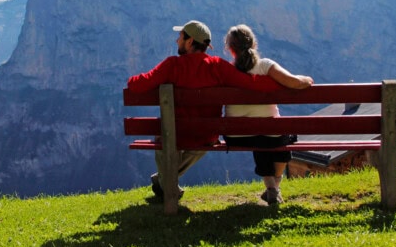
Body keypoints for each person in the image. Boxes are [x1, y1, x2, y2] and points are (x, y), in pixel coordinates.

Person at [127, 20, 284, 201]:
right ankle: (165, 182)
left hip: (176, 133)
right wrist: (283, 82)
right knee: (202, 141)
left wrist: (131, 79)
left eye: (180, 37)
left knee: (163, 136)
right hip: (206, 136)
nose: (177, 41)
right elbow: (251, 83)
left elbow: (137, 85)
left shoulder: (172, 65)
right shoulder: (218, 66)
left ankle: (165, 182)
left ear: (189, 41)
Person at [223, 24, 313, 205]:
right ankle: (274, 187)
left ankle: (271, 188)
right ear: (254, 44)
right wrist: (307, 79)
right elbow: (294, 82)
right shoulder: (265, 66)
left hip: (236, 136)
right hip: (271, 135)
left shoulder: (226, 71)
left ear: (231, 49)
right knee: (278, 136)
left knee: (259, 137)